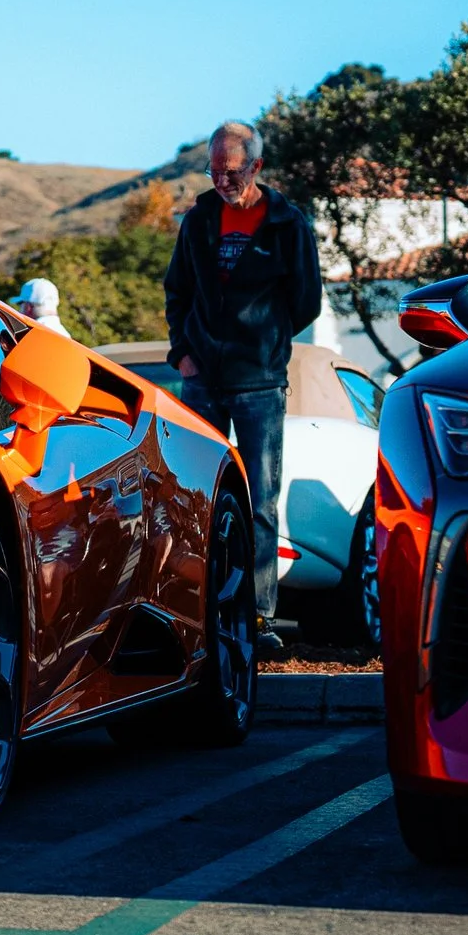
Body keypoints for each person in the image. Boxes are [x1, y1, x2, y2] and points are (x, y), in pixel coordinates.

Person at [163, 119, 321, 652]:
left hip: (259, 385)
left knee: (259, 500)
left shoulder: (287, 224)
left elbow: (307, 302)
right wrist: (183, 356)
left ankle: (259, 619)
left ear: (255, 166)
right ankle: (198, 616)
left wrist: (266, 345)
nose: (220, 181)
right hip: (202, 383)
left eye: (229, 171)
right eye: (213, 171)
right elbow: (177, 292)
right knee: (197, 497)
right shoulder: (199, 220)